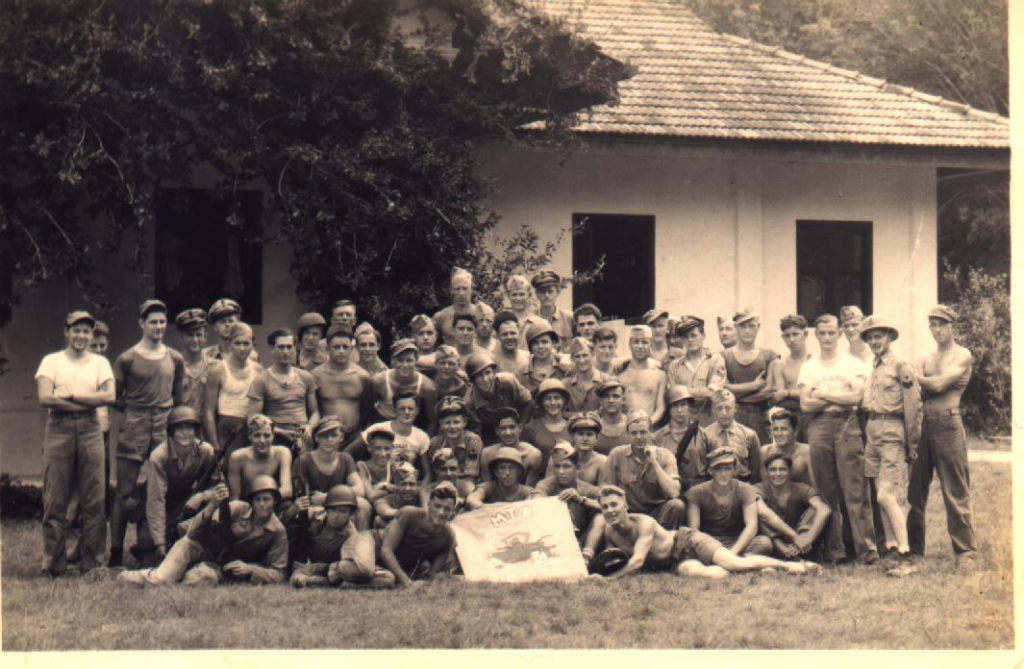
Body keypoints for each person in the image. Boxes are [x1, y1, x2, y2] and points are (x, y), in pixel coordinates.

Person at [583, 485, 818, 580]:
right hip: (674, 562)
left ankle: (794, 567)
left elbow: (636, 562)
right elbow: (614, 559)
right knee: (711, 575)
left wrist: (607, 581)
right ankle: (760, 569)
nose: (610, 510)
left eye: (614, 505)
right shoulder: (610, 533)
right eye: (605, 507)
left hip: (687, 541)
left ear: (625, 505)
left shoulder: (644, 523)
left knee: (735, 563)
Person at [35, 310, 114, 576]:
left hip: (91, 428)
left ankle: (93, 564)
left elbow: (109, 396)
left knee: (95, 498)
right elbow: (45, 397)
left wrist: (68, 396)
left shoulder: (100, 363)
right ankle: (53, 564)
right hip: (58, 428)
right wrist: (88, 400)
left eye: (86, 331)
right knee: (55, 498)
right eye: (76, 330)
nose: (81, 336)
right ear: (66, 332)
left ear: (92, 335)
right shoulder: (51, 361)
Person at [110, 299, 185, 568]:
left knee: (161, 489)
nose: (158, 326)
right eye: (153, 322)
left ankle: (155, 548)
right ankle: (115, 551)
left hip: (164, 423)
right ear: (142, 323)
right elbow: (114, 396)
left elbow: (179, 399)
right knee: (125, 492)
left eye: (162, 322)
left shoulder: (175, 358)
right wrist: (135, 411)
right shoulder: (127, 358)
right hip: (135, 424)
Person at [798, 313, 876, 565]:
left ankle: (866, 551)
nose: (827, 338)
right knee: (826, 491)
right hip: (819, 426)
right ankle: (835, 551)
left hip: (847, 424)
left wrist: (821, 393)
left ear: (840, 334)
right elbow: (805, 405)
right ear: (816, 335)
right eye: (822, 333)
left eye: (832, 332)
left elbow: (856, 398)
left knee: (855, 490)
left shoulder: (852, 364)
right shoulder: (810, 366)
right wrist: (838, 395)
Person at [117, 477, 288, 586]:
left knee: (199, 581)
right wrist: (212, 505)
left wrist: (250, 569)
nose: (262, 504)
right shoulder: (237, 509)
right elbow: (192, 532)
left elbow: (279, 574)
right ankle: (125, 577)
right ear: (251, 501)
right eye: (258, 500)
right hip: (194, 546)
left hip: (217, 565)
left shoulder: (277, 531)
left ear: (274, 502)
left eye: (267, 499)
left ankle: (175, 576)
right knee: (161, 579)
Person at [908, 305, 978, 566]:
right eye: (933, 325)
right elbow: (915, 390)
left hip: (948, 423)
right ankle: (914, 549)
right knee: (915, 490)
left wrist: (916, 377)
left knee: (954, 488)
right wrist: (917, 379)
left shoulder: (962, 355)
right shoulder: (926, 356)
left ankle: (965, 551)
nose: (937, 330)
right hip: (922, 424)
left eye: (942, 324)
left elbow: (938, 385)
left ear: (952, 325)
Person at [861, 315, 921, 576]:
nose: (874, 341)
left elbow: (913, 406)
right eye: (870, 338)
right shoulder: (875, 365)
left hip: (892, 431)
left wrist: (912, 442)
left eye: (878, 336)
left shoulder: (900, 365)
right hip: (873, 430)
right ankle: (892, 548)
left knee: (886, 496)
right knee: (879, 495)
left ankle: (906, 555)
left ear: (888, 337)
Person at [129, 406, 219, 568]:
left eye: (189, 428)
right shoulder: (159, 456)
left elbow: (219, 487)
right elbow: (156, 500)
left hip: (188, 500)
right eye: (180, 429)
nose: (185, 433)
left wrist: (201, 497)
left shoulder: (206, 451)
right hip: (160, 500)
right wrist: (160, 543)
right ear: (171, 432)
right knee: (150, 549)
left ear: (196, 430)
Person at [333, 482, 459, 589]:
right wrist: (408, 583)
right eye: (437, 506)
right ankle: (331, 568)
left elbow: (434, 573)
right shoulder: (410, 514)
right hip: (368, 541)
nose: (441, 512)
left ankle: (348, 582)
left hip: (381, 566)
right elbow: (386, 551)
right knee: (365, 569)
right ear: (429, 504)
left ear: (453, 512)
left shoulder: (448, 536)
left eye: (447, 509)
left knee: (388, 580)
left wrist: (438, 582)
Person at [599, 409, 684, 530]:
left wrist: (654, 463)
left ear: (651, 432)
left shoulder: (665, 455)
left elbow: (674, 492)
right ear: (627, 434)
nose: (639, 437)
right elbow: (607, 493)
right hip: (629, 515)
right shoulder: (617, 455)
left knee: (677, 505)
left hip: (658, 514)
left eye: (643, 432)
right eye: (634, 433)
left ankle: (664, 540)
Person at [286, 415, 370, 529]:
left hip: (339, 504)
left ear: (341, 437)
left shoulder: (345, 458)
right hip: (316, 508)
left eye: (334, 435)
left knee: (363, 504)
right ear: (316, 438)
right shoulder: (303, 461)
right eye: (324, 435)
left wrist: (326, 497)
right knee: (314, 513)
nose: (329, 440)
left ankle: (360, 538)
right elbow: (303, 499)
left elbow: (359, 490)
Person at [685, 447, 772, 556]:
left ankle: (727, 561)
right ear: (710, 471)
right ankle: (738, 561)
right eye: (718, 469)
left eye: (728, 469)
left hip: (737, 540)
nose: (723, 474)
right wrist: (711, 550)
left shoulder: (745, 489)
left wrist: (732, 553)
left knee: (764, 543)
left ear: (735, 470)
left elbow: (752, 526)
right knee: (691, 547)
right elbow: (694, 530)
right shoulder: (696, 492)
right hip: (709, 542)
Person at [247, 328, 319, 455]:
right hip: (274, 436)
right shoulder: (261, 380)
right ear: (272, 348)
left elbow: (315, 412)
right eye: (281, 347)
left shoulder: (306, 377)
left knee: (303, 465)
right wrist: (280, 432)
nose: (285, 352)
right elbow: (253, 419)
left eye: (289, 347)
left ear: (295, 348)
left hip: (301, 435)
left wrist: (310, 426)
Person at [755, 447, 832, 561]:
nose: (777, 474)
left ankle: (797, 552)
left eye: (782, 469)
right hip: (773, 541)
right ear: (766, 472)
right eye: (773, 470)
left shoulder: (800, 488)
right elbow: (763, 512)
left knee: (814, 510)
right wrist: (794, 537)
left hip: (800, 540)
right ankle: (784, 552)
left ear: (790, 471)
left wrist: (807, 539)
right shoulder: (758, 488)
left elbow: (825, 510)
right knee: (757, 512)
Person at [203, 321, 261, 460]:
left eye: (246, 344)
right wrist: (215, 444)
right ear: (229, 344)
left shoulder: (258, 369)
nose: (242, 348)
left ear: (252, 345)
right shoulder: (218, 370)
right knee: (228, 467)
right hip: (227, 428)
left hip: (252, 427)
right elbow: (208, 411)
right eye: (237, 343)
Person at [722, 308, 778, 447]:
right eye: (742, 326)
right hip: (733, 418)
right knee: (733, 455)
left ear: (758, 326)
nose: (747, 331)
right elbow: (722, 390)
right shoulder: (724, 356)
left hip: (760, 417)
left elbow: (769, 391)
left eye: (751, 326)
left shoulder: (769, 355)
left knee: (763, 455)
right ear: (735, 327)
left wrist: (736, 397)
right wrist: (754, 386)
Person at [289, 484, 363, 587]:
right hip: (299, 560)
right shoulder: (315, 517)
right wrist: (291, 511)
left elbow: (345, 567)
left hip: (325, 569)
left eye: (342, 511)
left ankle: (318, 581)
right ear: (326, 509)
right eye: (332, 510)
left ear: (352, 514)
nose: (336, 515)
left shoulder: (351, 537)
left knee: (297, 578)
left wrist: (313, 567)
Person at [685, 389, 760, 487]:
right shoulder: (704, 435)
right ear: (713, 409)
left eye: (728, 408)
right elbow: (700, 473)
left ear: (735, 408)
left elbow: (756, 472)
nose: (724, 413)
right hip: (714, 488)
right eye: (719, 408)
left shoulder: (749, 435)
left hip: (742, 486)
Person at [311, 324, 372, 446]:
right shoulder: (315, 376)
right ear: (327, 349)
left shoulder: (362, 376)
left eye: (345, 347)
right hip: (326, 437)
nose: (341, 351)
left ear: (351, 348)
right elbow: (312, 410)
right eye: (336, 347)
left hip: (354, 438)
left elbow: (367, 413)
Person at [351, 391, 431, 478]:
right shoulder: (378, 428)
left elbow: (427, 474)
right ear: (394, 411)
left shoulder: (422, 437)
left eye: (410, 408)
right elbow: (348, 452)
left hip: (405, 482)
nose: (406, 412)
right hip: (377, 480)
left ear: (417, 411)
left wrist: (422, 486)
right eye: (402, 409)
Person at [665, 316, 726, 426]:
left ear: (703, 335)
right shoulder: (674, 366)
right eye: (685, 337)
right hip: (683, 424)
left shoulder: (715, 360)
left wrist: (682, 392)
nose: (690, 340)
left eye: (694, 335)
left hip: (710, 422)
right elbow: (673, 396)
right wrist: (703, 392)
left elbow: (712, 392)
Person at [536, 442, 601, 543]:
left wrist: (581, 500)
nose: (561, 472)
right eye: (557, 466)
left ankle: (588, 551)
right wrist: (554, 503)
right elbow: (535, 501)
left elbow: (607, 505)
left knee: (601, 518)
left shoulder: (588, 489)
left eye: (566, 467)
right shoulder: (546, 484)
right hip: (551, 537)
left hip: (581, 539)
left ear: (577, 468)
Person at [464, 351, 533, 445]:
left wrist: (521, 427)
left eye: (488, 373)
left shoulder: (508, 381)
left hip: (517, 426)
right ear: (473, 380)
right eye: (479, 375)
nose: (485, 379)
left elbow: (528, 402)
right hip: (492, 434)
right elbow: (477, 432)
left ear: (494, 373)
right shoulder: (470, 403)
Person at [370, 338, 438, 433]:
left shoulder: (427, 387)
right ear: (392, 360)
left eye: (409, 360)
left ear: (416, 360)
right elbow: (368, 411)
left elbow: (433, 420)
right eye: (400, 360)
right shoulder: (379, 381)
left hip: (410, 427)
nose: (405, 365)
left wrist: (425, 440)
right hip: (382, 423)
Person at [227, 414, 294, 503]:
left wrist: (265, 504)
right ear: (249, 436)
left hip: (275, 504)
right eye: (257, 435)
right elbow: (235, 498)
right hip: (248, 505)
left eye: (267, 436)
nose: (262, 440)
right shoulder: (237, 457)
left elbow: (287, 490)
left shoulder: (282, 453)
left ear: (273, 436)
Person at [425, 396, 483, 498]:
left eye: (456, 422)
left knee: (469, 488)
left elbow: (470, 474)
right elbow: (435, 471)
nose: (452, 427)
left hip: (465, 484)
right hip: (442, 481)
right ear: (441, 423)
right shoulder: (435, 442)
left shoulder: (472, 440)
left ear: (464, 422)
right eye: (447, 422)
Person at [769, 314, 812, 440]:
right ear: (783, 337)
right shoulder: (780, 364)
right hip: (791, 421)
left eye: (796, 334)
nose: (792, 339)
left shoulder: (815, 361)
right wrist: (804, 396)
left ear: (805, 334)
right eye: (787, 335)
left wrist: (787, 393)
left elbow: (818, 393)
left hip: (815, 418)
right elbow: (779, 398)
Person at [479, 408, 544, 486]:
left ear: (520, 428)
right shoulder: (487, 454)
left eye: (512, 427)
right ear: (497, 431)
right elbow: (486, 486)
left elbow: (530, 488)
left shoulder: (533, 455)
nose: (508, 433)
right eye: (503, 428)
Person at [617, 325, 667, 425]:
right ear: (630, 344)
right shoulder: (620, 377)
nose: (640, 346)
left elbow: (661, 407)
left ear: (651, 344)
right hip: (627, 428)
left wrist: (649, 423)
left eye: (644, 342)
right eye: (636, 342)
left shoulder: (660, 375)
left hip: (651, 427)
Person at [520, 378, 572, 471]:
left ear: (564, 401)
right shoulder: (530, 428)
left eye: (557, 398)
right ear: (541, 402)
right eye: (548, 398)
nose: (553, 402)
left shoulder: (573, 426)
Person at [466, 447, 541, 508]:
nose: (507, 473)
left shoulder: (527, 492)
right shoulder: (487, 488)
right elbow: (472, 499)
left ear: (518, 472)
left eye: (511, 468)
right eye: (502, 468)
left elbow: (536, 502)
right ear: (496, 472)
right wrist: (482, 507)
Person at [520, 270, 573, 352]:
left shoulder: (569, 318)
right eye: (542, 292)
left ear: (557, 292)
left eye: (550, 291)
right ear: (537, 294)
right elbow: (524, 351)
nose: (546, 295)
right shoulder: (530, 320)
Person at [174, 309, 212, 422]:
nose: (195, 340)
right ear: (181, 336)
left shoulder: (215, 367)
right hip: (180, 426)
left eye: (199, 335)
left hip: (206, 428)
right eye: (190, 335)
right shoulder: (173, 366)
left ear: (205, 336)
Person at [433, 267, 486, 346]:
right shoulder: (441, 316)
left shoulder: (481, 313)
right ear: (452, 290)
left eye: (465, 288)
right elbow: (426, 338)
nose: (461, 293)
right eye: (457, 289)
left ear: (471, 289)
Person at [759, 408, 814, 485]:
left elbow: (815, 485)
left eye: (783, 429)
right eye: (775, 429)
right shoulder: (765, 451)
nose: (779, 434)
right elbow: (765, 485)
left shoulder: (807, 452)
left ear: (795, 431)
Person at [518, 319, 570, 394]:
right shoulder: (522, 373)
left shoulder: (563, 366)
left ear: (553, 343)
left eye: (544, 342)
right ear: (530, 347)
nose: (540, 346)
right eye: (535, 343)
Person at [203, 298, 257, 363]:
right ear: (215, 327)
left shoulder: (251, 356)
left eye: (231, 321)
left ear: (238, 323)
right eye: (222, 322)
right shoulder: (205, 356)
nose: (227, 325)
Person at [564, 337, 610, 413]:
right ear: (572, 359)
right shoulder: (566, 385)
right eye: (577, 356)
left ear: (592, 355)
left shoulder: (606, 381)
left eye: (585, 355)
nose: (582, 360)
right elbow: (563, 412)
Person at [356, 424, 399, 505]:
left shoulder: (393, 465)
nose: (383, 454)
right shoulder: (361, 466)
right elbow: (371, 496)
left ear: (392, 448)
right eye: (378, 448)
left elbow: (402, 491)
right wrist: (385, 486)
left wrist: (378, 488)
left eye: (387, 448)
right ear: (369, 448)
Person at [652, 385, 697, 456]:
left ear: (690, 407)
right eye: (675, 405)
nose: (679, 410)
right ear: (668, 409)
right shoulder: (656, 438)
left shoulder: (703, 435)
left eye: (683, 405)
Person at [372, 464, 422, 528]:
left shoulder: (421, 500)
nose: (407, 488)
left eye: (411, 484)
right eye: (403, 484)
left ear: (417, 486)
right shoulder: (386, 500)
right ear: (396, 486)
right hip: (391, 532)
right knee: (378, 520)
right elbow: (384, 510)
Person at [594, 379, 629, 455]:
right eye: (606, 396)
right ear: (600, 401)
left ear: (623, 400)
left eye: (616, 396)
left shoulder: (631, 424)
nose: (611, 400)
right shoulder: (594, 427)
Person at [492, 310, 530, 376]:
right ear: (498, 336)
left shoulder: (528, 358)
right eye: (504, 334)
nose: (509, 337)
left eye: (513, 333)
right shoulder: (492, 361)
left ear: (519, 332)